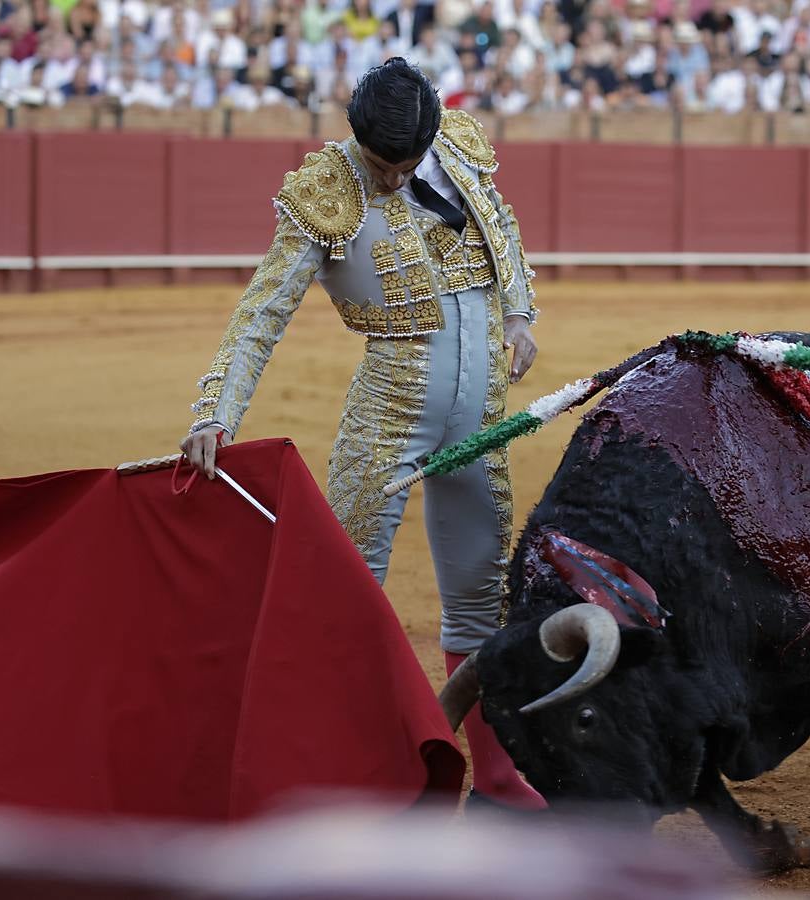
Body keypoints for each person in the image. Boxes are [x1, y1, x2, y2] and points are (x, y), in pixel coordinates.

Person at [180, 58, 544, 812]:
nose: (391, 176)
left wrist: (518, 313)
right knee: (345, 601)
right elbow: (261, 313)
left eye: (405, 161)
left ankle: (502, 785)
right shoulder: (325, 190)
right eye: (380, 163)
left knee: (481, 600)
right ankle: (337, 775)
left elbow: (500, 225)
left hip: (480, 419)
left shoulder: (463, 149)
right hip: (387, 416)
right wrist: (216, 410)